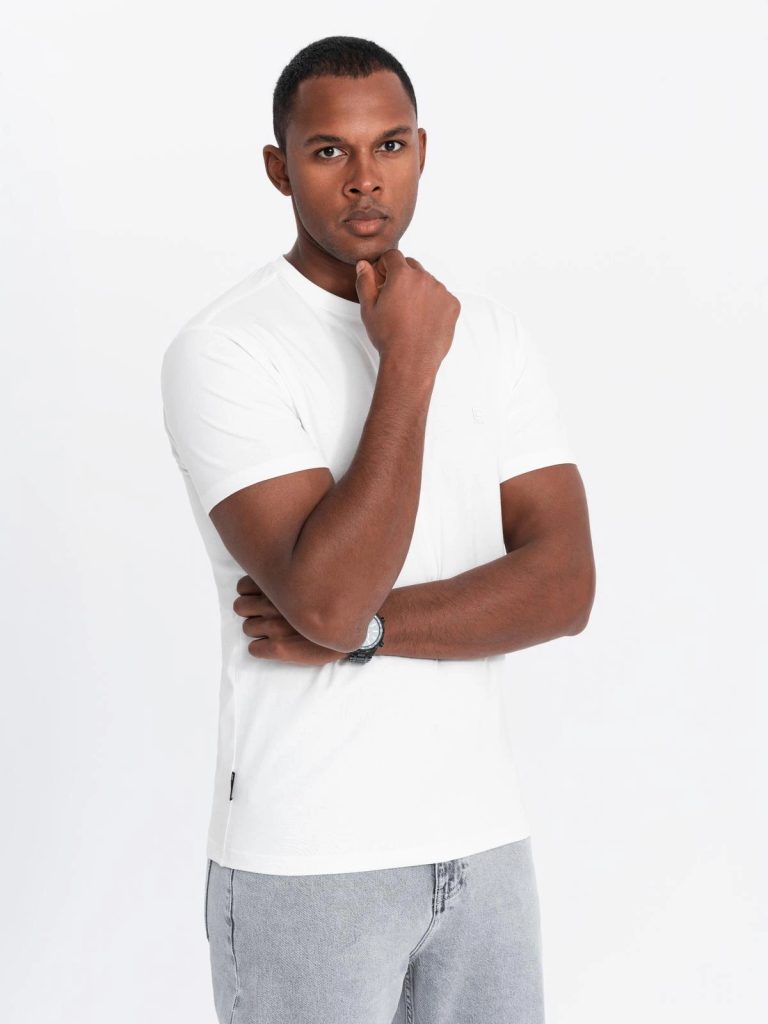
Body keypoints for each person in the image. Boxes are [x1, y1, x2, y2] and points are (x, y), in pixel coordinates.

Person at [160, 34, 595, 1024]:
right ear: (279, 168)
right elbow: (324, 593)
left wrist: (368, 629)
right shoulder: (225, 350)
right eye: (329, 151)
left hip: (485, 847)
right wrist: (406, 363)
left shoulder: (491, 336)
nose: (366, 179)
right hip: (311, 862)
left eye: (390, 145)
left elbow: (564, 587)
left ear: (422, 150)